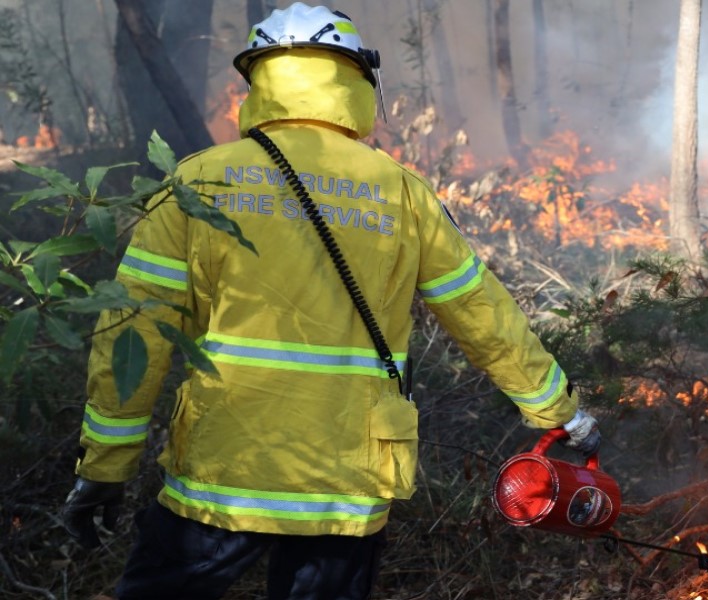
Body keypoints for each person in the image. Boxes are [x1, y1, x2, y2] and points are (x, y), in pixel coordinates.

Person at [60, 4, 600, 599]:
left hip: (224, 469)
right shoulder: (402, 192)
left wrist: (105, 466)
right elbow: (480, 312)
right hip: (344, 482)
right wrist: (558, 410)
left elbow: (133, 329)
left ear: (258, 79)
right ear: (356, 80)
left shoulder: (197, 181)